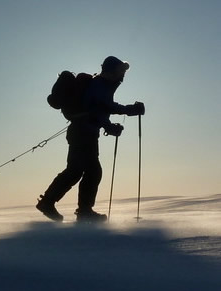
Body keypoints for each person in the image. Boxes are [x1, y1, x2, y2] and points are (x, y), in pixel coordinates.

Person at [37, 56, 145, 222]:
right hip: (83, 132)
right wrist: (118, 119)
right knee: (91, 171)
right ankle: (80, 211)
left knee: (77, 171)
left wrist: (111, 123)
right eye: (121, 70)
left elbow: (100, 109)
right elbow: (99, 108)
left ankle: (54, 204)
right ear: (111, 71)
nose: (123, 73)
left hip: (84, 132)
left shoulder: (103, 85)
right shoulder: (100, 85)